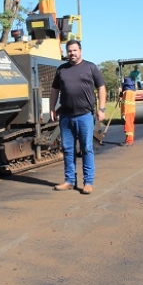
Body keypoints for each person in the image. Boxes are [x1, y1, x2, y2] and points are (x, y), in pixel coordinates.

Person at [49, 40, 107, 195]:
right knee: (68, 149)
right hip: (66, 117)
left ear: (80, 51)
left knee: (87, 148)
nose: (72, 53)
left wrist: (102, 108)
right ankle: (69, 181)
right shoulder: (61, 70)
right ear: (66, 53)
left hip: (85, 116)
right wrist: (52, 108)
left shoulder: (90, 67)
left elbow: (101, 87)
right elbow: (54, 90)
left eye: (75, 50)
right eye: (69, 51)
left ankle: (88, 183)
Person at [120, 77, 137, 146]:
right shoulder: (132, 92)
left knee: (128, 126)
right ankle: (130, 140)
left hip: (128, 112)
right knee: (131, 126)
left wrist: (124, 114)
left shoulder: (127, 93)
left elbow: (126, 104)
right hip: (132, 111)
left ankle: (129, 141)